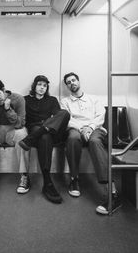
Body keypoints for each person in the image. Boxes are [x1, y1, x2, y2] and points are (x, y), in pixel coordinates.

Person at [60, 72, 121, 214]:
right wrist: (81, 128)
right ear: (67, 86)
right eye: (68, 82)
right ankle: (74, 179)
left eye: (74, 80)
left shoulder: (93, 99)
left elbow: (100, 115)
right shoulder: (64, 102)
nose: (72, 83)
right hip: (76, 129)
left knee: (94, 141)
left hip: (96, 129)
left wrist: (90, 128)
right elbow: (66, 119)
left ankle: (112, 192)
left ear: (79, 81)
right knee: (72, 138)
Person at [19, 75, 70, 203]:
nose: (42, 88)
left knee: (64, 113)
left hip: (52, 132)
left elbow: (58, 118)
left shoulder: (52, 100)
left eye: (45, 85)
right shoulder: (25, 100)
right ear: (34, 86)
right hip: (37, 131)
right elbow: (12, 102)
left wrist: (46, 125)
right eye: (39, 84)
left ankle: (31, 138)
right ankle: (47, 182)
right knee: (43, 135)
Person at [0, 79, 30, 194]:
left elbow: (20, 123)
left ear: (4, 90)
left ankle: (24, 176)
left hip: (13, 130)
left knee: (23, 133)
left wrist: (8, 109)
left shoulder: (18, 99)